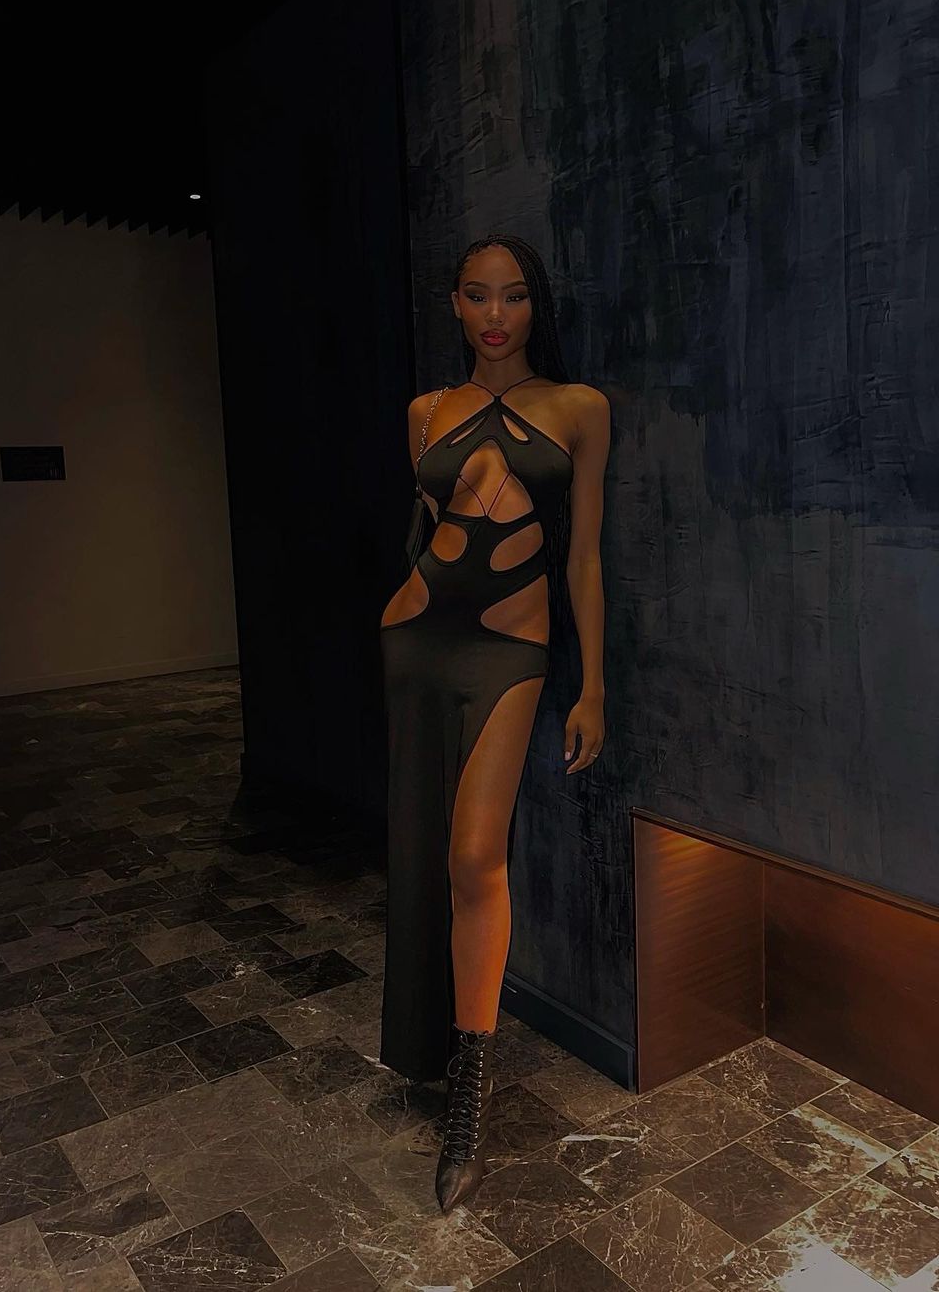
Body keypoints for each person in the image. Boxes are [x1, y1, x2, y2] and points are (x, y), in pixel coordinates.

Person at [378, 233, 610, 1212]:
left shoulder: (580, 408)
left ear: (533, 305)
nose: (495, 315)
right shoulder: (425, 412)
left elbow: (582, 558)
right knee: (423, 853)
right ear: (457, 306)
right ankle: (435, 1053)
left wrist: (594, 686)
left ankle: (469, 1099)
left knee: (476, 857)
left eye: (513, 296)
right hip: (416, 643)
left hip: (513, 652)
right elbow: (424, 533)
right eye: (477, 296)